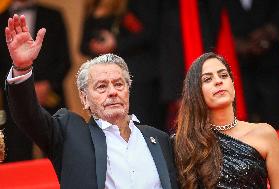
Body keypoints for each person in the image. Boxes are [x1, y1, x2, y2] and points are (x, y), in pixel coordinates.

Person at [4, 14, 178, 189]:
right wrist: (22, 67)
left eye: (119, 84)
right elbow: (29, 116)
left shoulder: (159, 138)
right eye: (101, 86)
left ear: (128, 91)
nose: (112, 92)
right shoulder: (70, 135)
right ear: (84, 98)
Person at [174, 52, 279, 188]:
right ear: (195, 93)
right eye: (207, 79)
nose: (218, 81)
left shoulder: (265, 133)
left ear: (232, 84)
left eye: (223, 75)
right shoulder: (186, 142)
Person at [0, 0, 71, 162]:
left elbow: (64, 59)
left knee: (60, 156)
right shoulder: (0, 18)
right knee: (18, 157)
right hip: (14, 104)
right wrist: (21, 85)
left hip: (52, 98)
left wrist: (48, 84)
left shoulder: (54, 15)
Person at [80, 0, 167, 131]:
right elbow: (82, 46)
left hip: (138, 80)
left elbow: (149, 35)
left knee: (142, 127)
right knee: (108, 127)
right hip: (104, 79)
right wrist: (94, 46)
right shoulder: (92, 6)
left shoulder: (132, 6)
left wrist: (116, 44)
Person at [223, 0, 279, 129]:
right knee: (240, 117)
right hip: (235, 66)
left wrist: (268, 32)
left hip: (269, 61)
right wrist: (236, 44)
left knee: (273, 115)